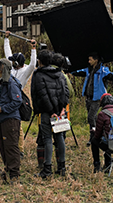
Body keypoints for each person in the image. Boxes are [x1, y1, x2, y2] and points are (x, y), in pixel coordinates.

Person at [31, 49, 70, 178]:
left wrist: (51, 111)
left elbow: (42, 95)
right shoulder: (59, 74)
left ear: (40, 61)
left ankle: (47, 169)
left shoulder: (38, 75)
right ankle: (62, 167)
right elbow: (65, 92)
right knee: (60, 138)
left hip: (48, 112)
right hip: (60, 112)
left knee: (47, 138)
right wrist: (62, 108)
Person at [70, 52, 113, 145]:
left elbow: (112, 77)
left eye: (90, 59)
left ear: (96, 60)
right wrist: (69, 68)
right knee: (94, 118)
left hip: (97, 98)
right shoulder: (88, 70)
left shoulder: (103, 70)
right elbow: (76, 72)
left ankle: (93, 137)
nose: (88, 61)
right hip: (88, 97)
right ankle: (99, 133)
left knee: (91, 117)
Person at [4, 31, 37, 155]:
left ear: (17, 63)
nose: (11, 62)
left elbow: (33, 64)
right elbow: (8, 54)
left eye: (13, 61)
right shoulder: (12, 68)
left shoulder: (26, 71)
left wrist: (33, 49)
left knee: (17, 125)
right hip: (7, 96)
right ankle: (12, 147)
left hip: (17, 98)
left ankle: (20, 149)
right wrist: (6, 39)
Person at [0, 57, 22, 181]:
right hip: (1, 119)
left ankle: (14, 175)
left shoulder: (11, 83)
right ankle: (8, 169)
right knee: (3, 146)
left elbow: (17, 101)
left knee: (11, 146)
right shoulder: (0, 81)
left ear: (4, 67)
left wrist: (2, 108)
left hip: (10, 119)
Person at [90, 93, 113, 172]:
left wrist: (94, 132)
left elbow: (97, 135)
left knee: (94, 140)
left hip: (111, 146)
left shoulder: (102, 114)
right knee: (109, 138)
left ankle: (97, 165)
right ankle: (107, 163)